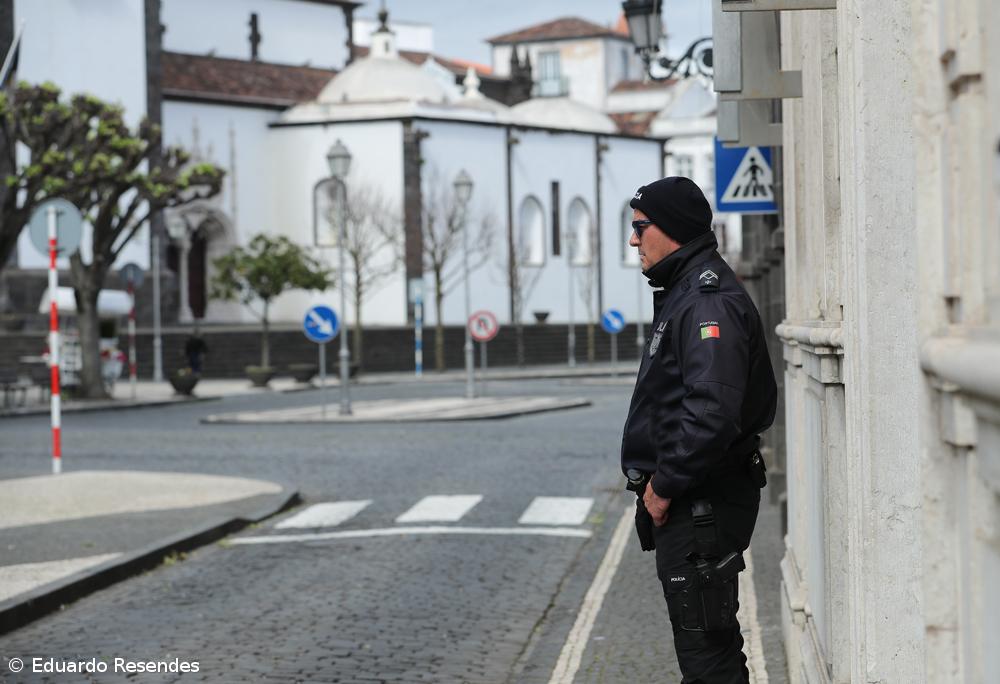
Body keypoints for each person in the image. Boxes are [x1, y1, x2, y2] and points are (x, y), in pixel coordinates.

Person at [620, 176, 777, 682]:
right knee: (710, 652)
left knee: (709, 661)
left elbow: (711, 411)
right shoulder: (686, 293)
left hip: (701, 503)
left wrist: (663, 486)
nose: (633, 240)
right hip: (698, 500)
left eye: (641, 227)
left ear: (673, 229)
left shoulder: (707, 301)